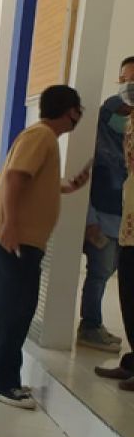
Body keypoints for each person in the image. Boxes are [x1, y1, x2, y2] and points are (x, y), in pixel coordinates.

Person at [0, 85, 92, 409]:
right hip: (15, 238)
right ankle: (2, 381)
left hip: (3, 236)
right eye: (78, 109)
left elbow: (30, 181)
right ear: (70, 111)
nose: (78, 116)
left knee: (0, 309)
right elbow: (15, 178)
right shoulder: (41, 136)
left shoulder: (39, 137)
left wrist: (65, 186)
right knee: (16, 310)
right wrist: (11, 225)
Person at [78, 57, 134, 352]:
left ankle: (94, 324)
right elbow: (87, 176)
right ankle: (90, 325)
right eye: (124, 79)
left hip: (125, 219)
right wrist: (89, 218)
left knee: (110, 272)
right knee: (100, 271)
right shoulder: (97, 128)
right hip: (100, 213)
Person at [96, 75, 134, 387]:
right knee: (127, 293)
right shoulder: (124, 123)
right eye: (124, 80)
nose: (127, 86)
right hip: (128, 225)